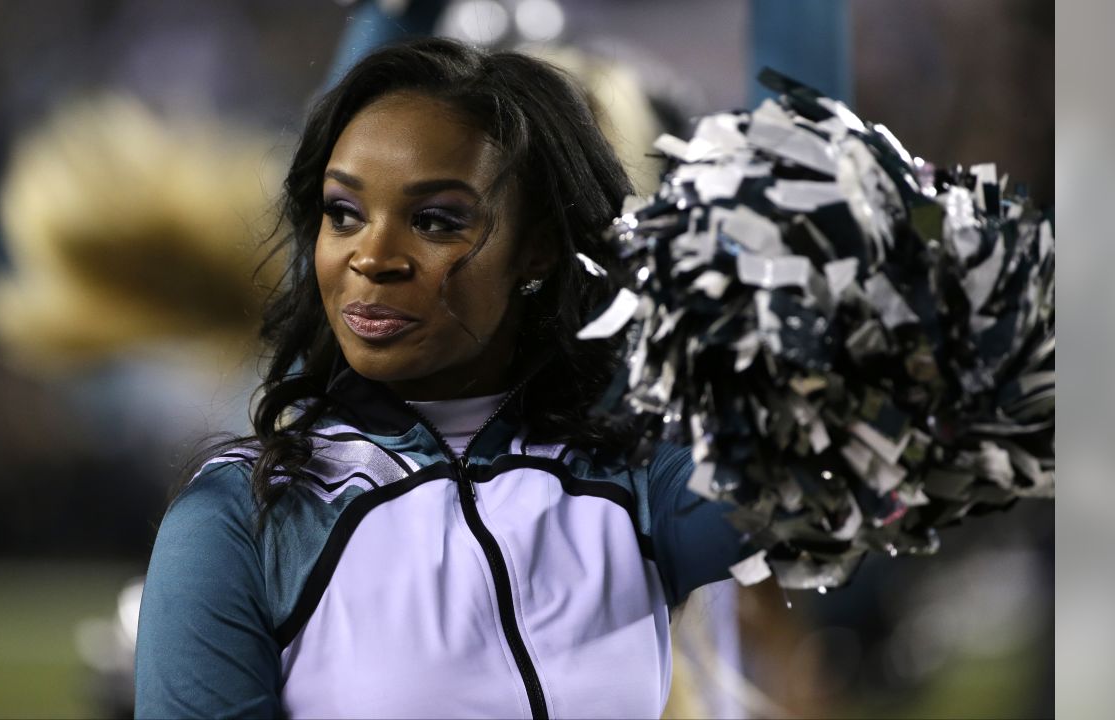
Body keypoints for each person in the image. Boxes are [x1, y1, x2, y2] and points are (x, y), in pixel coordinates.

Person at [134, 37, 741, 719]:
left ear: (536, 247)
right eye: (344, 214)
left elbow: (826, 476)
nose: (373, 257)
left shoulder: (634, 479)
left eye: (434, 220)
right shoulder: (245, 518)